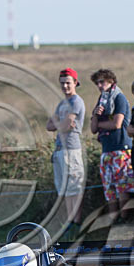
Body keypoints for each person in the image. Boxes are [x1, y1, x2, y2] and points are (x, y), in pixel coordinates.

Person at [89, 69, 133, 217]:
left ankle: (125, 218)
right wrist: (96, 115)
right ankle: (113, 220)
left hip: (121, 147)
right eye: (97, 83)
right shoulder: (102, 100)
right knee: (109, 188)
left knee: (122, 187)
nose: (100, 86)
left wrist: (101, 124)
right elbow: (93, 128)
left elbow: (117, 124)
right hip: (106, 149)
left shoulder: (118, 98)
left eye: (102, 82)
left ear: (111, 81)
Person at [47, 67, 85, 238]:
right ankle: (69, 222)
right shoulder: (62, 103)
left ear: (75, 83)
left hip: (71, 149)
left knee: (74, 188)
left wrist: (60, 124)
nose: (65, 86)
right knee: (64, 189)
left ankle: (76, 223)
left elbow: (66, 125)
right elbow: (49, 125)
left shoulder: (76, 102)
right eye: (62, 83)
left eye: (68, 83)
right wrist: (60, 124)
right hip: (60, 149)